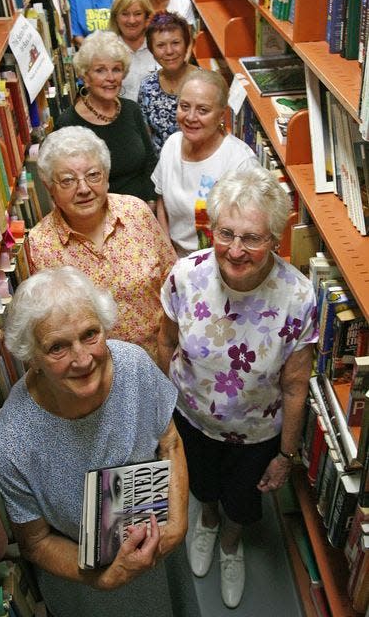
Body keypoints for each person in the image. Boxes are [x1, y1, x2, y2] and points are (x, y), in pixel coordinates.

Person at [0, 266, 201, 617]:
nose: (83, 359)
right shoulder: (14, 440)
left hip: (159, 547)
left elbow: (170, 443)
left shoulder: (133, 366)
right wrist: (104, 578)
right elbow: (36, 542)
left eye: (90, 334)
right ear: (33, 358)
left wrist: (177, 527)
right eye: (58, 347)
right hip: (86, 579)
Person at [158, 165, 318, 609]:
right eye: (225, 233)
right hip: (191, 418)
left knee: (243, 503)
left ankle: (231, 543)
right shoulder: (185, 276)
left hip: (257, 434)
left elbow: (294, 387)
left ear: (275, 239)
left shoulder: (299, 296)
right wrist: (164, 419)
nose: (235, 250)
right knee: (203, 488)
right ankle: (206, 522)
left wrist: (286, 455)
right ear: (210, 227)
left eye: (252, 238)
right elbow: (165, 344)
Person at [28, 126, 176, 359]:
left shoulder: (137, 212)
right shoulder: (40, 244)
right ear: (49, 187)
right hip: (91, 373)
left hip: (160, 359)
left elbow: (173, 282)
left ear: (106, 177)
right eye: (68, 181)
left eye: (93, 175)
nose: (84, 189)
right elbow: (49, 328)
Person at [152, 68, 257, 255]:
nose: (191, 117)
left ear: (221, 114)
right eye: (184, 107)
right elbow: (161, 200)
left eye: (203, 110)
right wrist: (167, 250)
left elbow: (249, 230)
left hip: (220, 262)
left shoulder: (240, 162)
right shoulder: (172, 144)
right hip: (174, 257)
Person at [56, 30, 156, 202]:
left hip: (142, 211)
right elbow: (64, 184)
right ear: (85, 76)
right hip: (96, 217)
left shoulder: (131, 109)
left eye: (116, 69)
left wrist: (152, 201)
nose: (110, 78)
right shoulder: (68, 124)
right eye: (100, 70)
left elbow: (150, 161)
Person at [138, 12, 196, 156]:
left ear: (186, 44)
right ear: (151, 50)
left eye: (176, 43)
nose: (169, 51)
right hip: (160, 170)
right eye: (161, 45)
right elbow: (146, 136)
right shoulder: (147, 86)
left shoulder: (204, 83)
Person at [108, 0, 159, 103]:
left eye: (137, 14)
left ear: (146, 16)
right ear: (116, 17)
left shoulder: (159, 46)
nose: (132, 20)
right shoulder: (107, 50)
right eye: (125, 14)